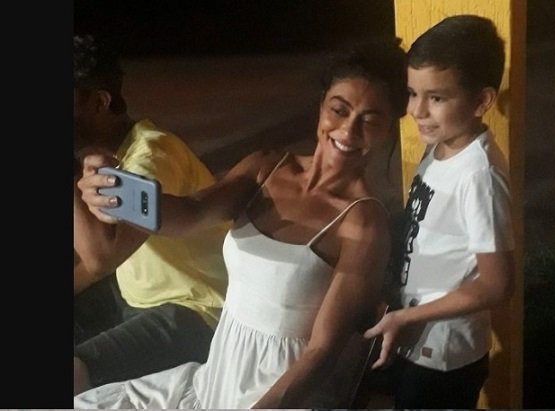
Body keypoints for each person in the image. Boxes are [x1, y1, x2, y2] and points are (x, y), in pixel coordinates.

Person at [74, 37, 409, 409]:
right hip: (218, 375)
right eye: (339, 110)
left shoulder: (363, 224)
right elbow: (189, 213)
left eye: (370, 120)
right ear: (321, 107)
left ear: (389, 129)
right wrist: (113, 189)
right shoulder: (268, 168)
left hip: (280, 394)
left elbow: (323, 350)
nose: (348, 130)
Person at [363, 14, 516, 409]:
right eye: (412, 93)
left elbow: (497, 284)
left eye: (436, 98)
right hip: (416, 338)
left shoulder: (479, 176)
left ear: (482, 101)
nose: (417, 110)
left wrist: (406, 318)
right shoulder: (441, 147)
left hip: (444, 356)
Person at [72, 34, 229, 394]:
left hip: (197, 311)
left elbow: (102, 256)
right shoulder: (106, 155)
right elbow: (95, 263)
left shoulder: (152, 155)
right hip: (136, 298)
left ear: (99, 102)